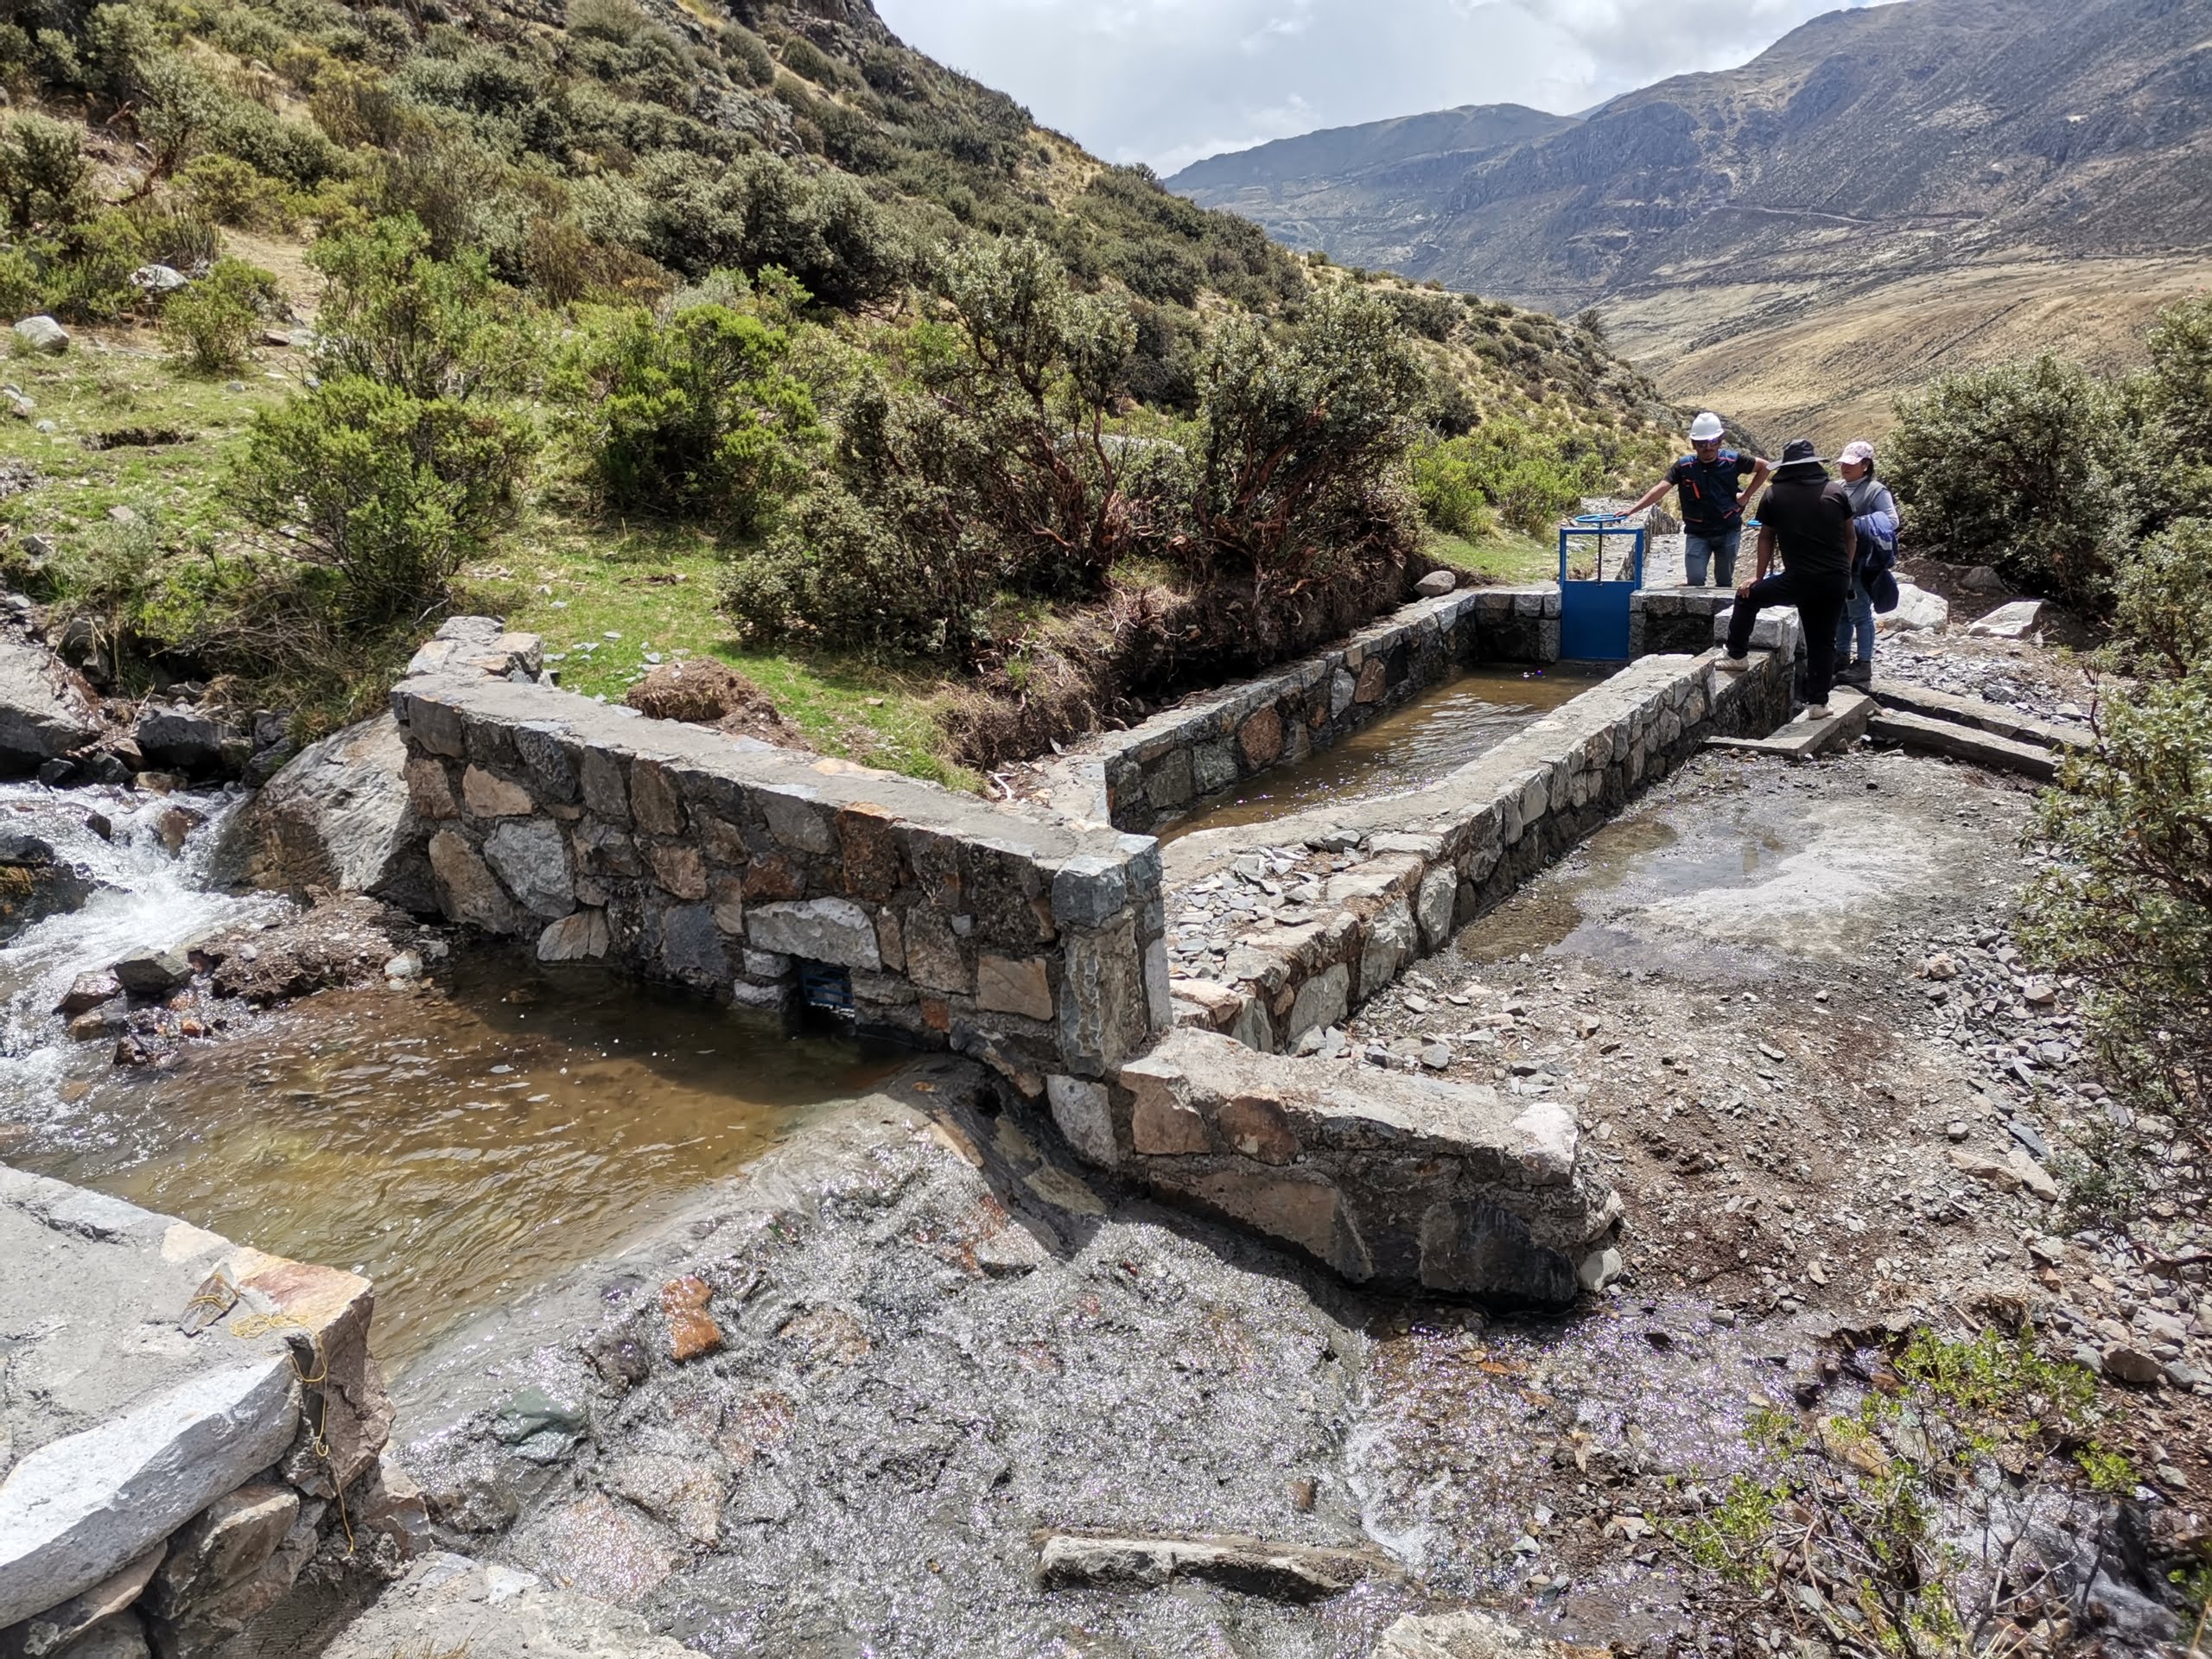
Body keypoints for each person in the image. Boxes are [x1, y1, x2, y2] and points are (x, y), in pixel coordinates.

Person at [1717, 438, 1855, 720]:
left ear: (1787, 467)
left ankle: (1736, 655)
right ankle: (1818, 704)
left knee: (1746, 598)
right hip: (1835, 580)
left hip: (1798, 580)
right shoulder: (1835, 492)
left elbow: (1766, 537)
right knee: (1823, 640)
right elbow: (1850, 536)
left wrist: (1757, 578)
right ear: (1814, 464)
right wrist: (1845, 571)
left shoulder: (1774, 495)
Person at [1623, 411, 1771, 588]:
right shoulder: (1684, 466)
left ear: (1720, 441)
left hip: (1728, 530)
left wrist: (1747, 495)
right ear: (1693, 444)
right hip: (1697, 533)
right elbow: (1660, 489)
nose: (1708, 447)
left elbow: (1765, 467)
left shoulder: (1732, 460)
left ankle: (1720, 616)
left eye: (1713, 442)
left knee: (1724, 582)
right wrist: (1632, 510)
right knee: (1695, 580)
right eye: (1702, 443)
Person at [1832, 439, 1898, 687]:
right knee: (1841, 613)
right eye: (1843, 463)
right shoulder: (1838, 486)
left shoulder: (1876, 491)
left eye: (1851, 464)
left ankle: (1863, 664)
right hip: (1840, 560)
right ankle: (1841, 657)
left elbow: (1891, 521)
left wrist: (1858, 525)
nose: (1844, 468)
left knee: (1860, 613)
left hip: (1862, 562)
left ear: (1866, 465)